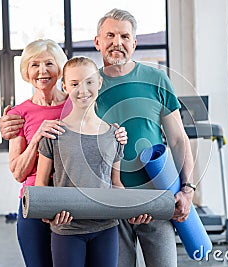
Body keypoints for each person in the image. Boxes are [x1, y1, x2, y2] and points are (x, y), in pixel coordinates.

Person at [0, 9, 196, 267]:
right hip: (103, 205)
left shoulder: (154, 79)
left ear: (134, 43)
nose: (117, 42)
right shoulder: (85, 85)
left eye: (125, 36)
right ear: (97, 42)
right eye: (110, 35)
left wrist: (188, 188)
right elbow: (48, 118)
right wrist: (9, 122)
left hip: (151, 195)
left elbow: (179, 139)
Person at [4, 39, 128, 267]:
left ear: (59, 69)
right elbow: (18, 173)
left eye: (49, 63)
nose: (42, 71)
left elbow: (100, 135)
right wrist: (38, 138)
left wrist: (118, 135)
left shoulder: (76, 101)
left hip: (78, 207)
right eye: (34, 64)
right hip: (38, 203)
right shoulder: (17, 113)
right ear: (26, 71)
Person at [35, 56, 151, 267]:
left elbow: (116, 185)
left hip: (106, 228)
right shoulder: (54, 133)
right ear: (64, 86)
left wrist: (131, 211)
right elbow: (41, 185)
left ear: (99, 82)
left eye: (89, 81)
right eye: (74, 83)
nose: (83, 89)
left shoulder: (114, 135)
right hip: (67, 229)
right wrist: (49, 215)